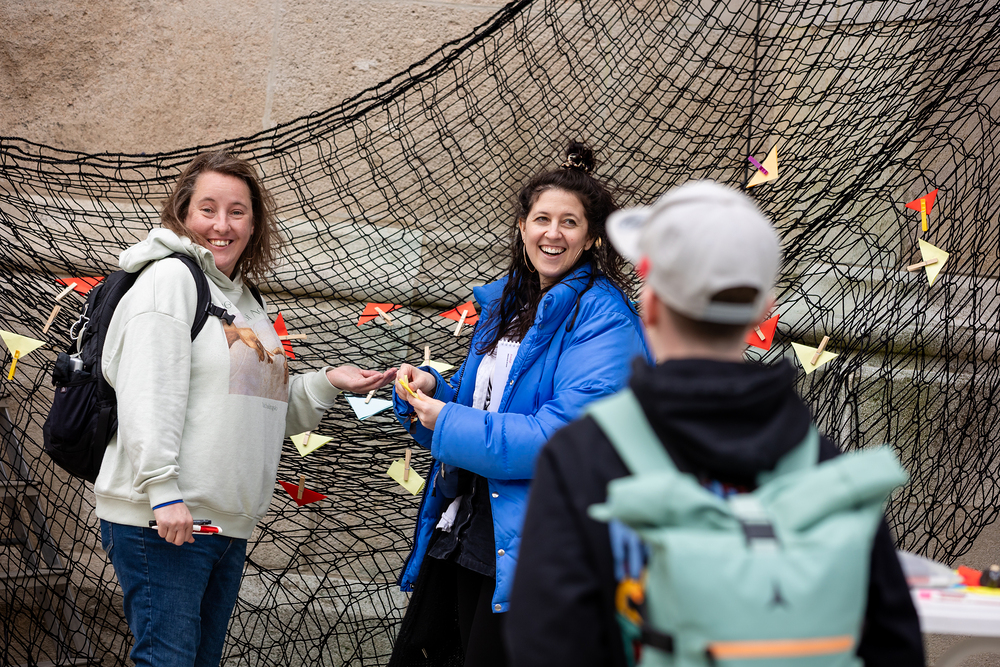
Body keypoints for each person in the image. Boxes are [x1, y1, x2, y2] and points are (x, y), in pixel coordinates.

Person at [506, 180, 924, 666]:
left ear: (651, 305)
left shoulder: (581, 457)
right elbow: (897, 649)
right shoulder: (828, 469)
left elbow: (546, 643)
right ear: (763, 310)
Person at [95, 150, 396, 667]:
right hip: (165, 521)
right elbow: (148, 392)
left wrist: (328, 382)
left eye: (237, 212)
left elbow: (264, 410)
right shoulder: (170, 279)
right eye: (208, 209)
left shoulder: (244, 300)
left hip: (224, 525)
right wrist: (163, 492)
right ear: (183, 214)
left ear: (254, 225)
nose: (222, 225)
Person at [387, 142, 653, 667]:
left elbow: (561, 439)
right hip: (469, 529)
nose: (553, 233)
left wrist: (449, 421)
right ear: (522, 226)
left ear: (592, 238)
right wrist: (433, 392)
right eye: (542, 219)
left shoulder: (605, 319)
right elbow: (486, 400)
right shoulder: (506, 304)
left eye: (570, 222)